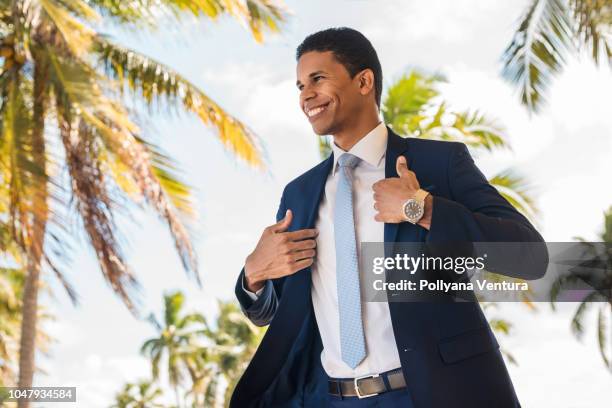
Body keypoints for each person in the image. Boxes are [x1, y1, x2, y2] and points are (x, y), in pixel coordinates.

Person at [230, 27, 545, 408]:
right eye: (299, 86)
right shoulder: (298, 195)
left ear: (364, 81)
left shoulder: (438, 164)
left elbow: (529, 257)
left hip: (433, 395)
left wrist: (424, 209)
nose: (306, 95)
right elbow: (282, 315)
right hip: (331, 399)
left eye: (317, 79)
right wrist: (254, 275)